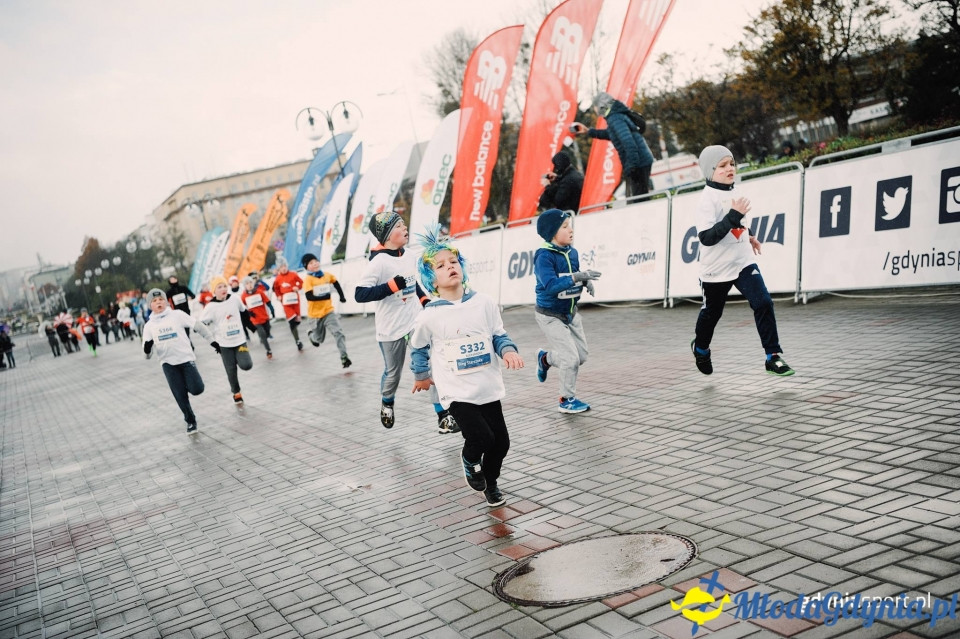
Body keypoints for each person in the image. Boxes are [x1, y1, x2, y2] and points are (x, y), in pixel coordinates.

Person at [410, 226, 523, 507]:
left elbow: (498, 334)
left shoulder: (484, 303)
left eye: (454, 262)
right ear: (431, 280)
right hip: (457, 391)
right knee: (481, 437)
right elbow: (419, 347)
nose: (450, 267)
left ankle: (491, 483)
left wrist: (507, 351)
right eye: (441, 265)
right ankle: (469, 459)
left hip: (487, 385)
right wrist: (421, 375)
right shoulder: (430, 316)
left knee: (501, 443)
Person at [690, 145, 794, 377]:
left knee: (764, 303)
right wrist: (733, 217)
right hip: (716, 269)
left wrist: (750, 236)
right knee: (712, 313)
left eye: (732, 164)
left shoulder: (735, 191)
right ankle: (700, 348)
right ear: (710, 171)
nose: (730, 169)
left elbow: (738, 223)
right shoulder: (707, 200)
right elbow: (707, 238)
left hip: (743, 262)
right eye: (723, 166)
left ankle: (772, 357)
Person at [354, 211, 459, 434]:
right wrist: (391, 286)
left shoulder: (410, 255)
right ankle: (387, 401)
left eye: (403, 224)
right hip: (390, 329)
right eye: (399, 226)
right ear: (387, 235)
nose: (405, 228)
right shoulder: (378, 263)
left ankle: (443, 415)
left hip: (415, 323)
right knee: (393, 373)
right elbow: (360, 294)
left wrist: (423, 299)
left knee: (431, 365)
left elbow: (414, 282)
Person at [533, 209, 601, 414]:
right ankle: (566, 399)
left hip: (571, 313)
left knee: (580, 356)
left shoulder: (572, 252)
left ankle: (545, 359)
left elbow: (573, 274)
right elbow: (552, 285)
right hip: (549, 315)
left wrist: (586, 281)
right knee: (570, 359)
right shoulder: (543, 256)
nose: (570, 230)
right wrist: (577, 277)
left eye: (570, 225)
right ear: (552, 232)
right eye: (564, 227)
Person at [141, 288, 217, 433]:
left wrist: (212, 341)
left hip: (185, 359)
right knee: (179, 394)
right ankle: (190, 421)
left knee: (197, 389)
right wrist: (147, 348)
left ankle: (188, 383)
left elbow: (198, 326)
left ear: (166, 301)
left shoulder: (177, 315)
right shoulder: (149, 326)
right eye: (155, 301)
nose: (158, 303)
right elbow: (147, 355)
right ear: (150, 305)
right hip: (168, 364)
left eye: (161, 299)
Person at [571, 92, 653, 199]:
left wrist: (632, 166)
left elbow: (628, 142)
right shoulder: (615, 116)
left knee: (639, 199)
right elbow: (611, 134)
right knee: (640, 197)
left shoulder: (615, 118)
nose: (595, 110)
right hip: (641, 160)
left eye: (595, 106)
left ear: (601, 106)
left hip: (639, 163)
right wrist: (588, 131)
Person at [200, 276, 254, 404]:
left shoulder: (234, 299)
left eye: (224, 286)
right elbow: (201, 324)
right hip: (224, 344)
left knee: (246, 365)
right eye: (219, 287)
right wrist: (211, 339)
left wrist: (251, 327)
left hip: (240, 340)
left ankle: (239, 357)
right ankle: (236, 393)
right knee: (231, 370)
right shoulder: (211, 306)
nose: (223, 289)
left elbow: (244, 312)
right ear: (214, 291)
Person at [301, 253, 351, 367]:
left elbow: (336, 282)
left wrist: (342, 296)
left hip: (328, 311)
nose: (315, 264)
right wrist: (325, 296)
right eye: (311, 263)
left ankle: (344, 356)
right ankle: (311, 335)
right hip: (315, 315)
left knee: (338, 332)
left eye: (316, 261)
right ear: (306, 267)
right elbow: (309, 297)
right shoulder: (308, 280)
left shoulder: (326, 275)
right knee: (319, 340)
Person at [271, 256, 304, 350]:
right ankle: (297, 341)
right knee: (291, 321)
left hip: (295, 301)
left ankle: (294, 329)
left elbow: (301, 282)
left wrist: (298, 287)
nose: (283, 268)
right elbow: (276, 289)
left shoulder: (293, 274)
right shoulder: (277, 279)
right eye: (281, 267)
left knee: (297, 320)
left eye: (284, 266)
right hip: (286, 303)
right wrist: (279, 296)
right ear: (279, 268)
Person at [240, 275, 273, 359]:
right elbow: (242, 307)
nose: (249, 285)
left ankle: (266, 336)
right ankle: (268, 350)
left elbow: (267, 301)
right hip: (255, 319)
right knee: (262, 334)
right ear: (245, 286)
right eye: (247, 283)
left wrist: (272, 309)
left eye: (251, 282)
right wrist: (249, 313)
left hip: (264, 316)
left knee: (267, 332)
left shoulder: (259, 291)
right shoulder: (243, 296)